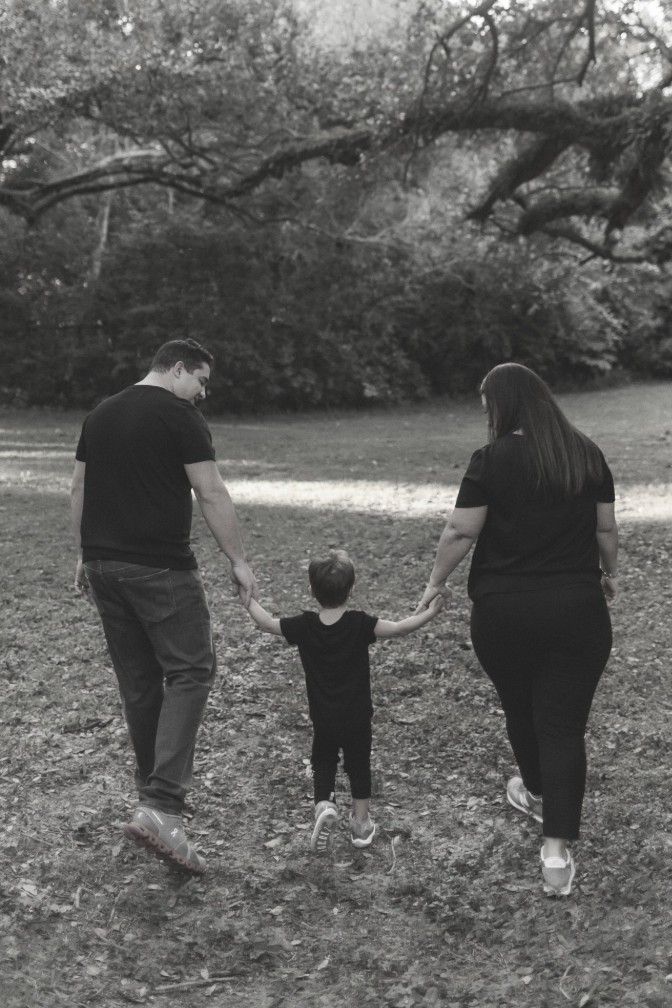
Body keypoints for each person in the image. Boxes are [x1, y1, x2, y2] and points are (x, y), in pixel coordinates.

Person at [417, 362, 618, 897]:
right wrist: (610, 574)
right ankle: (555, 853)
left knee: (521, 707)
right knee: (563, 726)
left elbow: (460, 531)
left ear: (504, 405)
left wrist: (436, 581)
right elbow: (604, 528)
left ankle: (535, 791)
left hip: (503, 612)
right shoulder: (586, 453)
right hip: (577, 609)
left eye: (488, 406)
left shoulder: (491, 459)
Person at [70, 338, 258, 876]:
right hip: (159, 568)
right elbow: (211, 492)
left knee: (139, 683)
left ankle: (150, 798)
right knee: (191, 671)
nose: (202, 393)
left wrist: (83, 554)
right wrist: (238, 560)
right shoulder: (180, 416)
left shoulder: (101, 413)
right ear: (178, 369)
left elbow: (78, 487)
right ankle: (162, 806)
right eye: (201, 380)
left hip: (103, 566)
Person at [240, 549, 446, 854]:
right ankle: (360, 826)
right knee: (359, 765)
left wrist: (247, 598)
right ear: (351, 590)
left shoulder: (304, 625)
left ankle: (324, 805)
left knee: (323, 761)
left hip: (323, 717)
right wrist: (431, 612)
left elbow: (268, 623)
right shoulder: (360, 623)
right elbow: (401, 628)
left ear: (311, 590)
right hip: (357, 717)